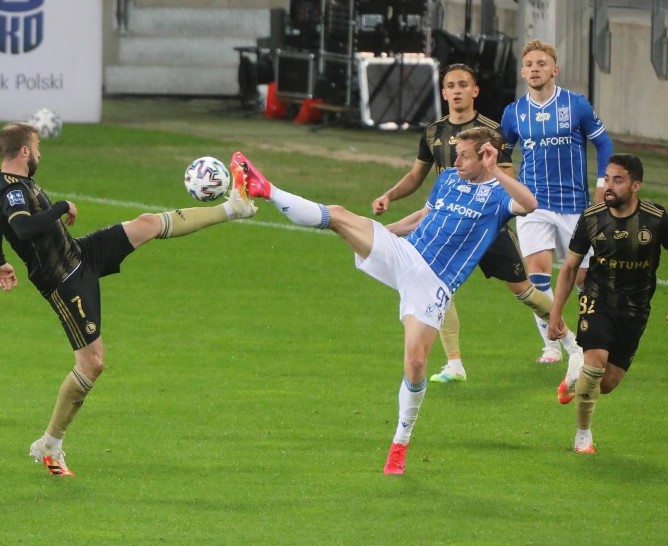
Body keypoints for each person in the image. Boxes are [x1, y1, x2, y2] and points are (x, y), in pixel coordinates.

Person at [231, 126, 543, 475]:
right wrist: (381, 234)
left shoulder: (499, 195)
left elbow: (530, 204)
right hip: (405, 255)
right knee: (338, 215)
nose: (455, 160)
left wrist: (498, 170)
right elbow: (424, 217)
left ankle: (399, 444)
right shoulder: (450, 181)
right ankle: (266, 189)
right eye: (456, 153)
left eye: (465, 155)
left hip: (433, 284)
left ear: (487, 156)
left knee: (416, 363)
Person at [0, 122, 257, 476]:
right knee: (92, 364)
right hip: (64, 281)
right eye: (37, 147)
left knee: (146, 224)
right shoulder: (11, 193)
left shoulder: (10, 187)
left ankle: (234, 208)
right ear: (24, 151)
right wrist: (61, 206)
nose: (40, 152)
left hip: (79, 253)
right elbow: (21, 227)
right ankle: (50, 444)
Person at [375, 63, 582, 383]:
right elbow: (418, 176)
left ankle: (567, 341)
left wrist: (490, 205)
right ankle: (454, 363)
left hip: (487, 227)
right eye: (450, 85)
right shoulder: (433, 132)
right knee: (436, 286)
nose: (456, 90)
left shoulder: (490, 133)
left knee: (524, 291)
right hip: (449, 227)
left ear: (475, 91)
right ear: (443, 92)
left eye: (463, 84)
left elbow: (510, 184)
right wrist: (389, 197)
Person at [501, 39, 614, 364]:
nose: (535, 69)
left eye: (541, 64)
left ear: (554, 69)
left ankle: (594, 335)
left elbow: (604, 144)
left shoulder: (575, 105)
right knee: (537, 275)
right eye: (530, 65)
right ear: (523, 72)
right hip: (533, 206)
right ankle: (556, 344)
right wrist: (511, 188)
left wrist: (601, 185)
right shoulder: (514, 113)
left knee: (581, 278)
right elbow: (502, 153)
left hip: (575, 206)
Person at [548, 154, 666, 453]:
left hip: (636, 308)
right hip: (597, 298)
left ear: (636, 185)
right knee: (596, 362)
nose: (609, 186)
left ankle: (576, 370)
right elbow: (570, 268)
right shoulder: (592, 217)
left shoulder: (656, 218)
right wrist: (556, 314)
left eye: (618, 180)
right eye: (607, 179)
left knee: (607, 383)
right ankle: (583, 436)